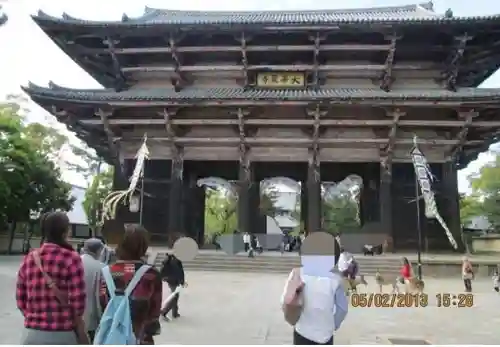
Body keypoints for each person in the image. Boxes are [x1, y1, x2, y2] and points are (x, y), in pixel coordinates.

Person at [16, 211, 86, 345]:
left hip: (31, 334)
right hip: (63, 334)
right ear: (64, 232)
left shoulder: (29, 259)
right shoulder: (71, 258)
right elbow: (79, 304)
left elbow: (20, 300)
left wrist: (36, 318)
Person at [99, 225, 162, 344]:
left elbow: (102, 305)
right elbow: (154, 314)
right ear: (143, 246)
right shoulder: (151, 274)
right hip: (141, 339)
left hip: (110, 338)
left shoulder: (106, 273)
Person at [281, 255, 348, 345]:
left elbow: (285, 300)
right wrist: (332, 325)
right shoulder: (336, 278)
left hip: (303, 332)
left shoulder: (298, 273)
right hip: (325, 335)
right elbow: (342, 309)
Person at [80, 238, 105, 342]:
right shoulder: (101, 267)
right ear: (99, 251)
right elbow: (102, 294)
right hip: (92, 318)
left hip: (73, 317)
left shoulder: (73, 262)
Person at [160, 253, 186, 321]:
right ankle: (164, 312)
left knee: (175, 296)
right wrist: (182, 281)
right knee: (175, 296)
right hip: (173, 281)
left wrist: (182, 281)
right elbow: (179, 273)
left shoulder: (175, 260)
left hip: (172, 281)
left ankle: (175, 313)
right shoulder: (174, 262)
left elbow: (180, 272)